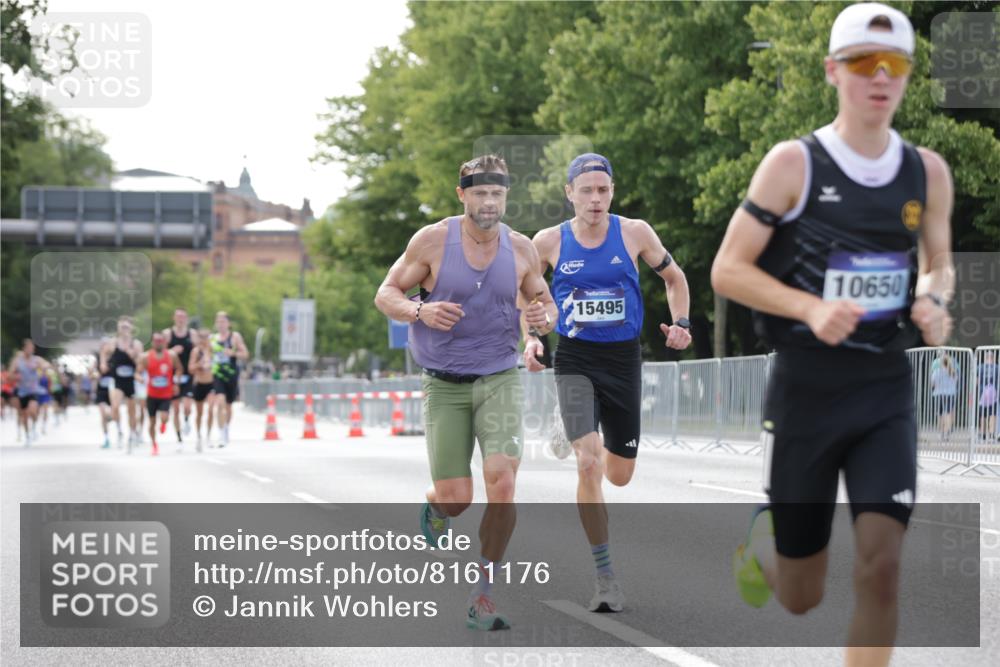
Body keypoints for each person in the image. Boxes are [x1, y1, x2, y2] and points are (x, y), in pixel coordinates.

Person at [711, 4, 954, 665]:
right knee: (799, 594)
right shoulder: (795, 165)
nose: (880, 78)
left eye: (895, 65)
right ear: (832, 72)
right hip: (805, 395)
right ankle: (766, 544)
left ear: (907, 76)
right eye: (862, 64)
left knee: (882, 566)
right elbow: (727, 269)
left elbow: (938, 260)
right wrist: (808, 306)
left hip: (883, 390)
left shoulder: (926, 172)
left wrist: (933, 298)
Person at [374, 154, 557, 630]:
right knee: (458, 498)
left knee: (503, 483)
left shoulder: (520, 249)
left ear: (505, 196)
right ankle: (437, 505)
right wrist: (420, 313)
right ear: (462, 195)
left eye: (497, 193)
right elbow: (386, 293)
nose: (489, 202)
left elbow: (544, 303)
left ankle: (484, 595)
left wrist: (543, 320)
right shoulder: (433, 240)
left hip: (500, 377)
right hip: (445, 383)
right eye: (479, 193)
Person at [523, 153, 692, 613]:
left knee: (619, 474)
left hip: (623, 361)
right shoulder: (548, 242)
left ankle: (574, 427)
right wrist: (533, 339)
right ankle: (605, 578)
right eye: (586, 191)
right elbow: (527, 293)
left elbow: (674, 278)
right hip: (576, 358)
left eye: (603, 190)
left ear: (612, 192)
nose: (595, 199)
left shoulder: (635, 232)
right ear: (569, 193)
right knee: (588, 463)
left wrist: (682, 322)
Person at [101, 316, 144, 450]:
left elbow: (141, 363)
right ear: (118, 328)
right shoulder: (113, 343)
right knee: (115, 406)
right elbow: (103, 353)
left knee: (132, 410)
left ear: (132, 328)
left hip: (131, 380)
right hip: (117, 379)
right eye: (122, 327)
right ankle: (119, 431)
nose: (124, 329)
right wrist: (103, 364)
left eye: (127, 327)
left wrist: (133, 355)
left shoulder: (136, 344)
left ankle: (132, 434)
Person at [138, 332, 183, 456]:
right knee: (152, 422)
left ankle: (163, 424)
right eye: (156, 340)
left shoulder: (171, 355)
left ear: (164, 341)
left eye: (160, 340)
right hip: (151, 394)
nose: (158, 343)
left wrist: (176, 382)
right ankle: (154, 445)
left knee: (164, 417)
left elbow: (179, 369)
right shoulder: (146, 357)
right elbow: (137, 372)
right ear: (152, 342)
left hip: (165, 394)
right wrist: (139, 378)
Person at [210, 311, 249, 448]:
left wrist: (233, 353)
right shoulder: (212, 338)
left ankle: (226, 428)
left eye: (223, 321)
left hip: (231, 375)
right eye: (218, 321)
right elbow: (206, 354)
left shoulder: (235, 337)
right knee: (219, 402)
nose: (220, 324)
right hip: (217, 374)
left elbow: (245, 353)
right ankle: (221, 434)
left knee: (228, 406)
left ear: (228, 323)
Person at [7, 339, 51, 447]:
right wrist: (16, 376)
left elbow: (46, 364)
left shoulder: (36, 359)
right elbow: (9, 375)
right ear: (24, 348)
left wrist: (43, 366)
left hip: (34, 390)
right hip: (22, 391)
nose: (30, 350)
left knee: (33, 410)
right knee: (24, 415)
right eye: (28, 347)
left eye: (32, 348)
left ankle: (34, 426)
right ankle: (27, 435)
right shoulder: (17, 361)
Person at [164, 308, 196, 443]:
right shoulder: (168, 334)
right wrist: (172, 351)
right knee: (176, 408)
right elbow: (161, 353)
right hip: (173, 375)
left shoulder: (192, 334)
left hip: (188, 374)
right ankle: (179, 436)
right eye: (178, 316)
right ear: (174, 318)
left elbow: (199, 350)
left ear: (186, 318)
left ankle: (187, 420)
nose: (180, 319)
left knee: (187, 406)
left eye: (183, 316)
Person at [189, 327, 216, 451]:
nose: (205, 340)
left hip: (211, 383)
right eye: (202, 337)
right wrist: (199, 364)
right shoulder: (196, 351)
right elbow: (190, 368)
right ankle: (199, 436)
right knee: (199, 413)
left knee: (210, 409)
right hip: (199, 383)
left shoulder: (213, 350)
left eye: (207, 337)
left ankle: (208, 436)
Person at [94, 339, 120, 449]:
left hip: (113, 389)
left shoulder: (115, 358)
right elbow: (92, 372)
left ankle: (119, 432)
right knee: (103, 414)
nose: (106, 347)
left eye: (108, 345)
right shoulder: (97, 360)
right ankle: (106, 438)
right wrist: (95, 374)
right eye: (104, 345)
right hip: (101, 391)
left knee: (114, 413)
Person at [930, 352, 958, 443]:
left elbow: (933, 384)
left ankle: (941, 433)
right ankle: (947, 434)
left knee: (940, 415)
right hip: (950, 394)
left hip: (938, 394)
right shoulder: (953, 372)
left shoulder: (936, 372)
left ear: (941, 362)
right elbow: (955, 383)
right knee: (948, 414)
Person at [977, 350, 998, 443]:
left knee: (983, 415)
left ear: (985, 358)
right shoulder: (997, 367)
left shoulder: (980, 367)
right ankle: (992, 434)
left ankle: (983, 435)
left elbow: (977, 382)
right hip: (994, 395)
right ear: (993, 358)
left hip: (982, 395)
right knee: (992, 414)